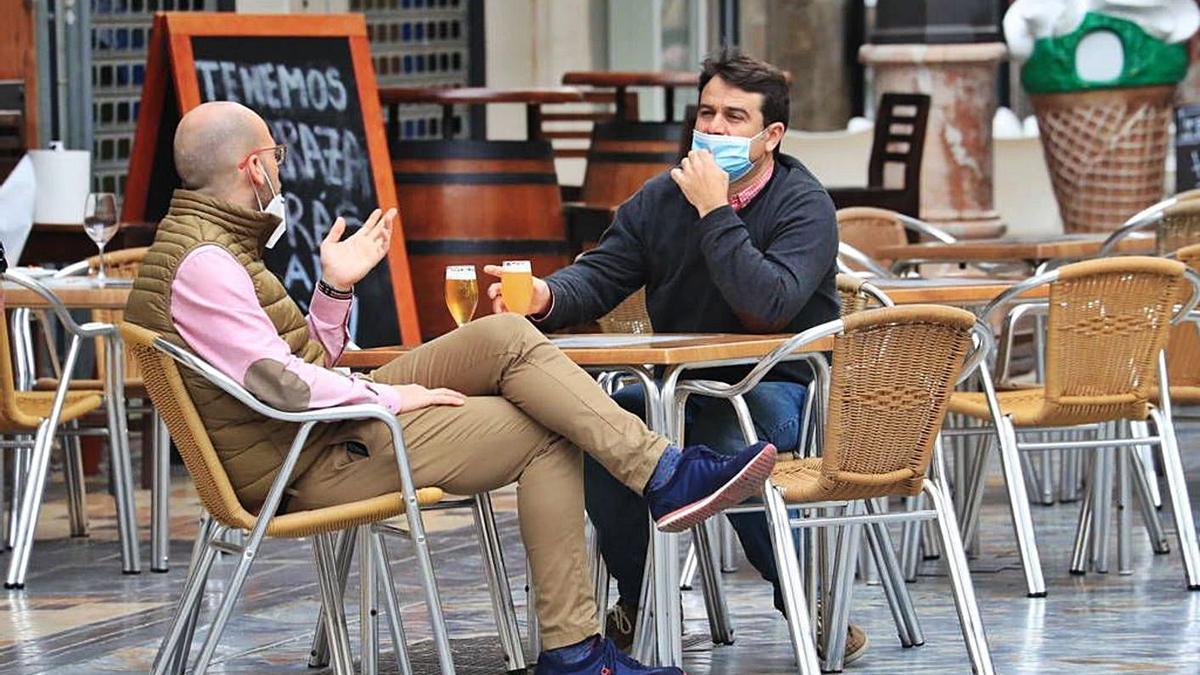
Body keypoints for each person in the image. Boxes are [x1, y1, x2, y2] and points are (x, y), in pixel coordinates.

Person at [124, 100, 780, 675]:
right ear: (253, 166)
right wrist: (391, 398)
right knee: (549, 433)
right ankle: (577, 646)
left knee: (504, 336)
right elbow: (284, 389)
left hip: (312, 431)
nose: (281, 167)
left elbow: (290, 363)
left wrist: (335, 288)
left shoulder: (209, 247)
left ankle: (662, 472)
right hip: (304, 459)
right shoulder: (207, 262)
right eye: (277, 154)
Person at [485, 49, 866, 664]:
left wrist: (715, 210)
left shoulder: (803, 204)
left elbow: (766, 305)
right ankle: (643, 600)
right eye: (706, 112)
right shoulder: (659, 200)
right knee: (603, 428)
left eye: (734, 118)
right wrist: (545, 297)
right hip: (678, 386)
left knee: (723, 432)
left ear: (771, 136)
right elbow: (601, 276)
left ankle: (805, 601)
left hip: (783, 389)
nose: (713, 129)